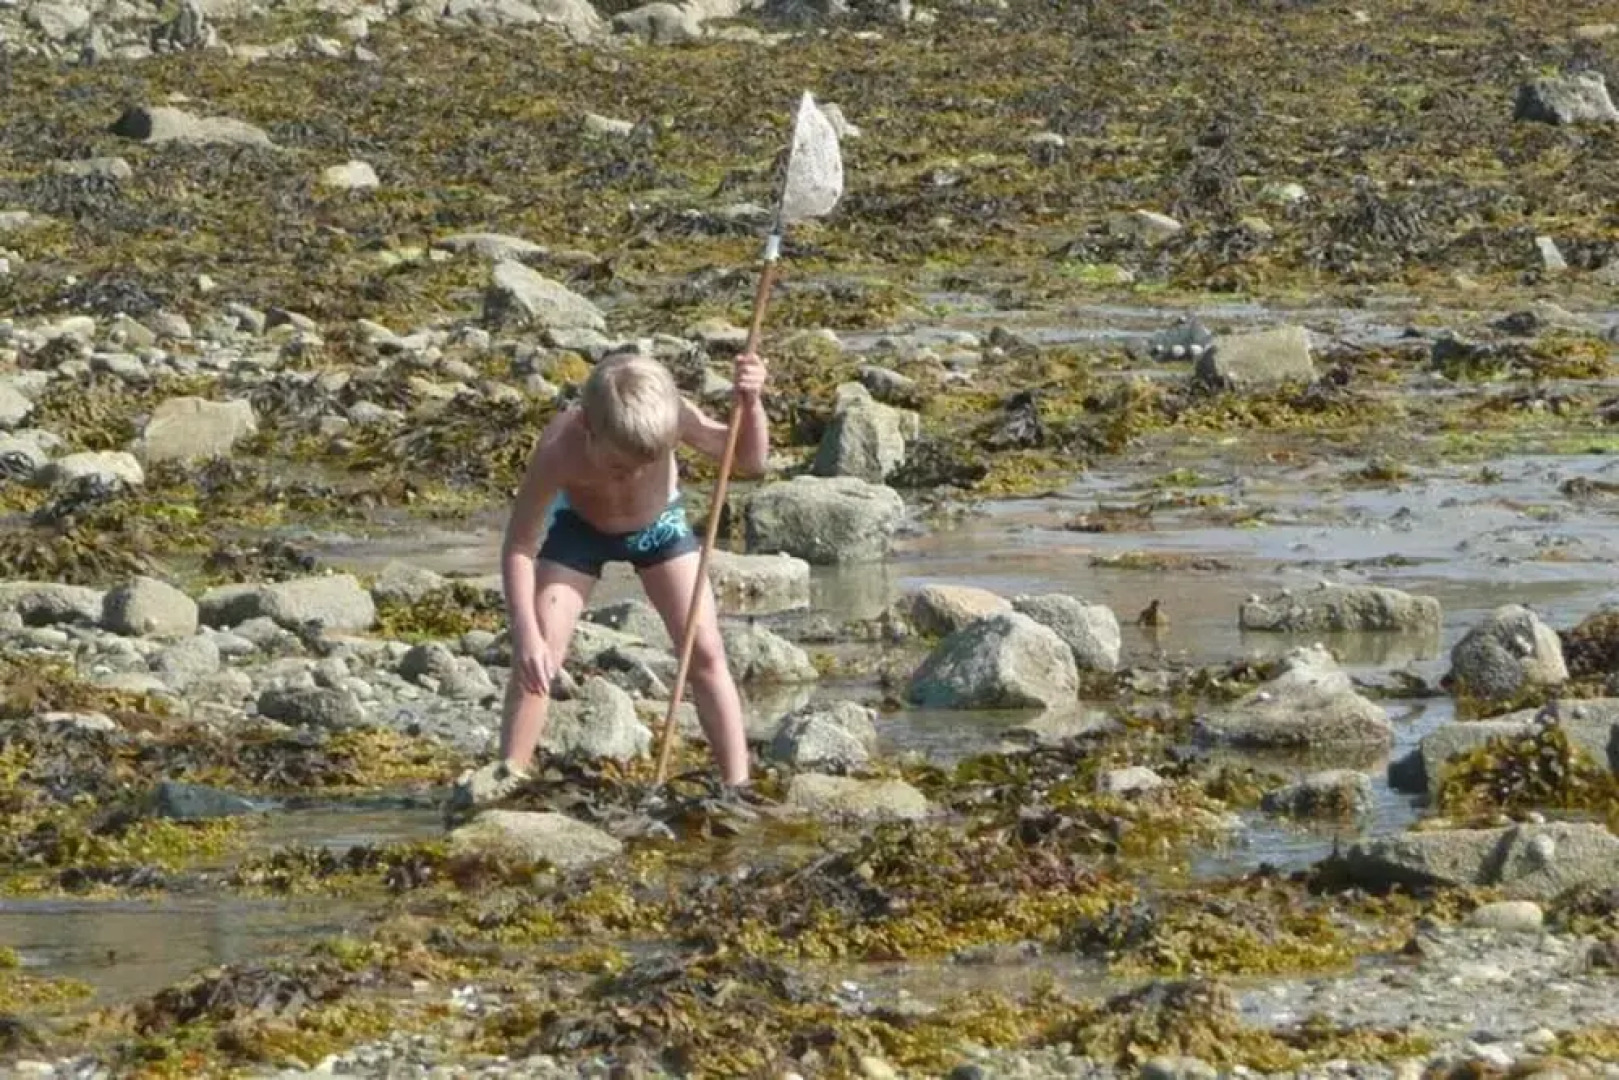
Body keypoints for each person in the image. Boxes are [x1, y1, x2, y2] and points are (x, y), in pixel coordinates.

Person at [449, 349, 770, 811]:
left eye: (648, 462)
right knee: (542, 654)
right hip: (581, 532)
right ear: (587, 427)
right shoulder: (560, 448)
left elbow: (749, 461)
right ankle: (509, 773)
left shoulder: (672, 415)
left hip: (659, 529)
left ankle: (738, 785)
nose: (634, 472)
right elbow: (519, 546)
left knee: (705, 650)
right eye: (620, 466)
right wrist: (526, 637)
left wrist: (752, 402)